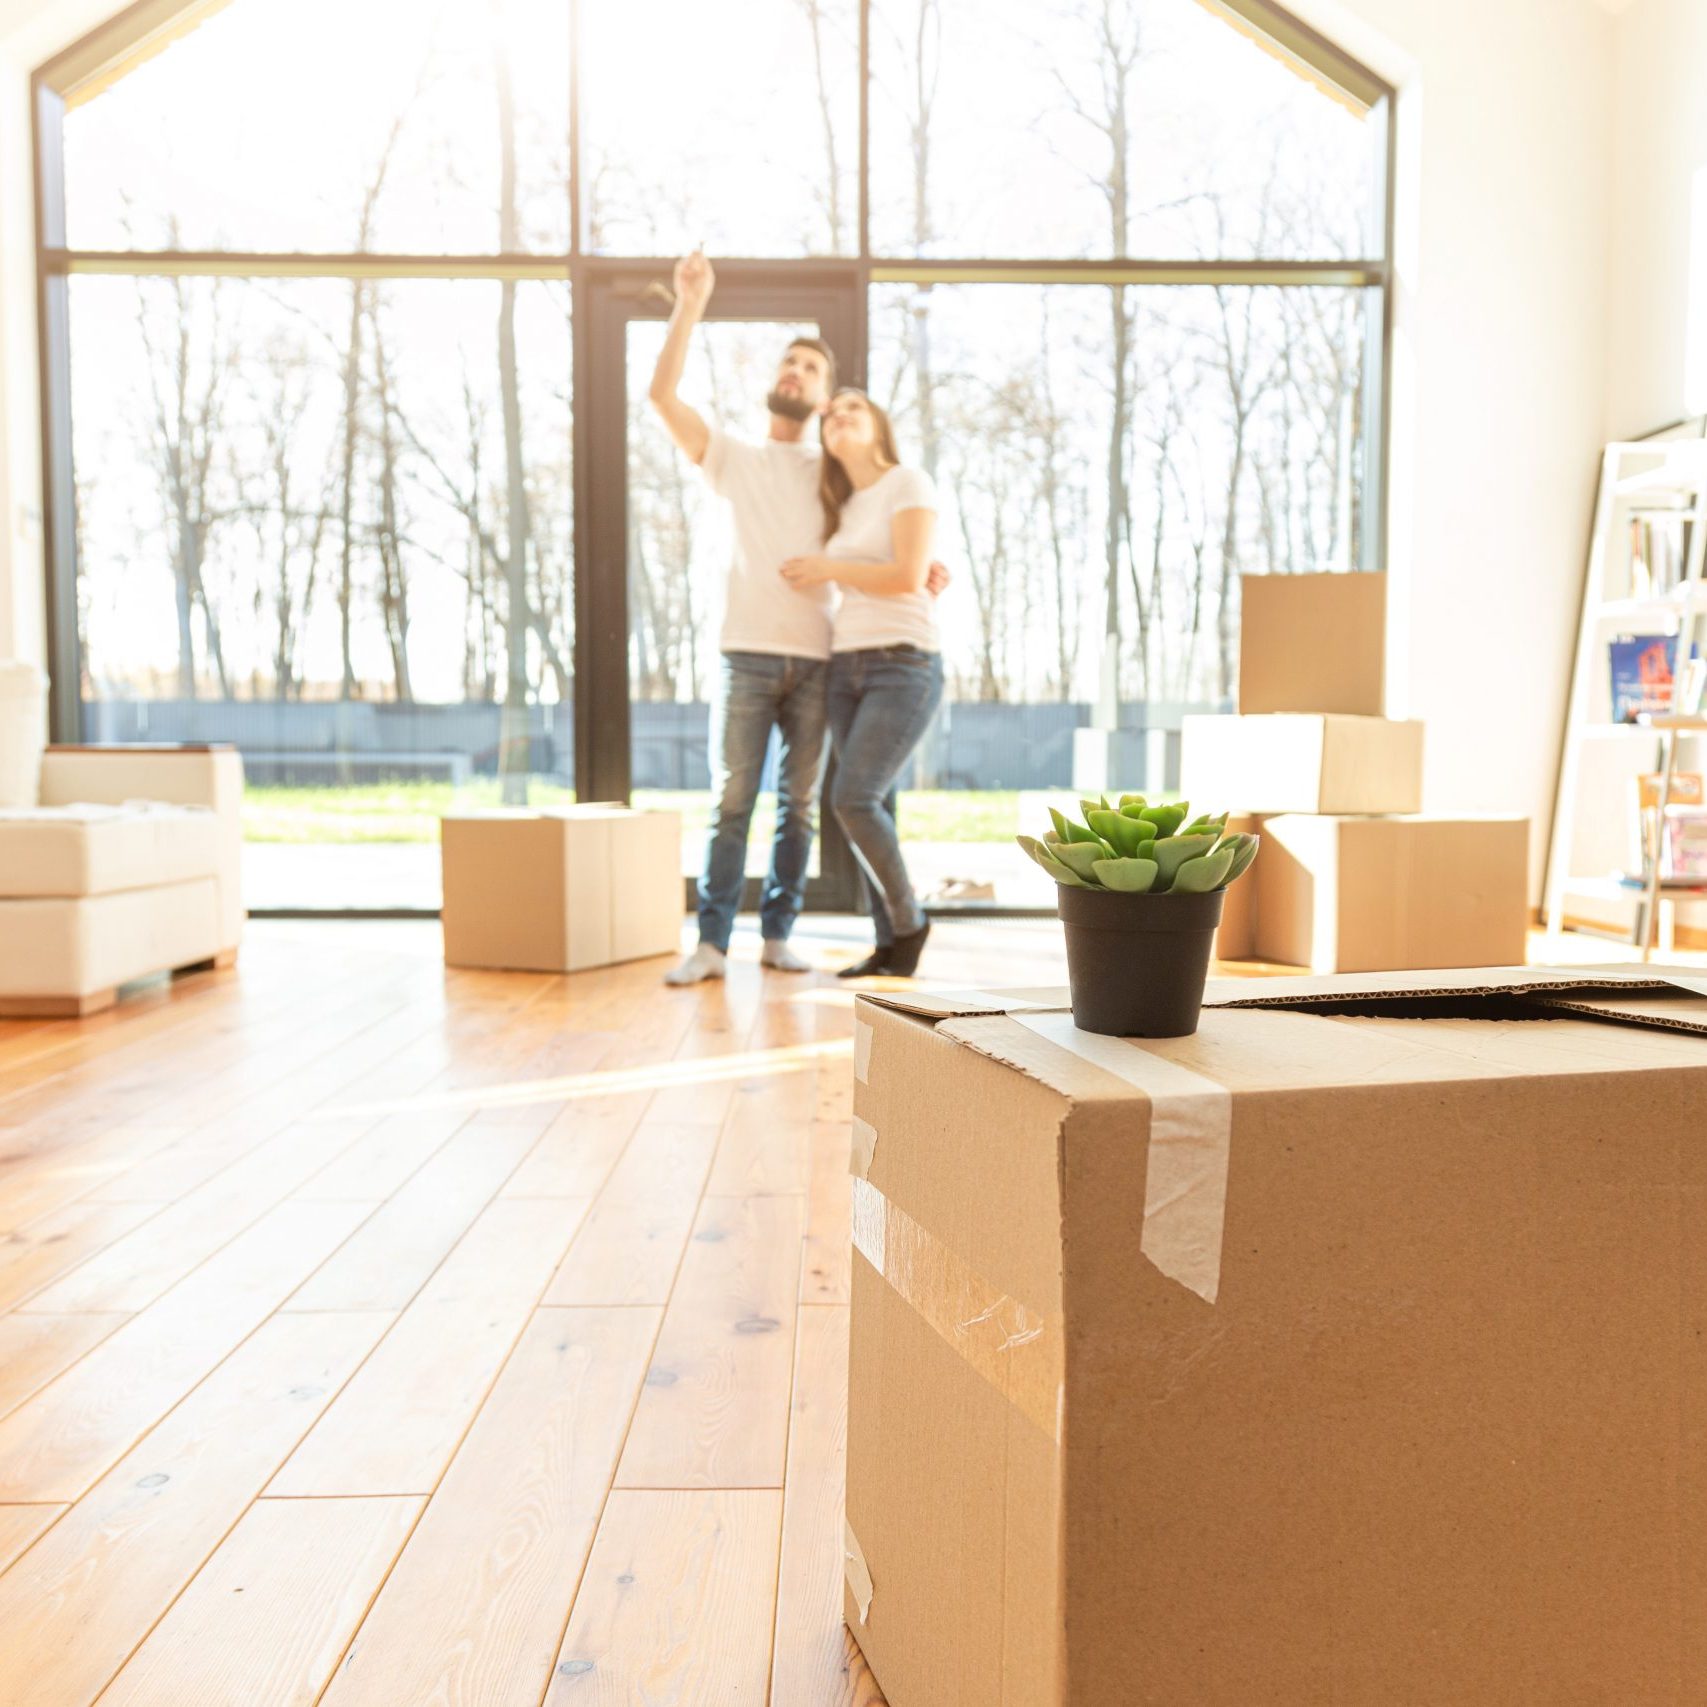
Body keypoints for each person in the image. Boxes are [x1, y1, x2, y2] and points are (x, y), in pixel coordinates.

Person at [781, 389, 942, 978]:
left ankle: (910, 921)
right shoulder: (844, 506)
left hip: (903, 662)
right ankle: (889, 944)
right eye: (831, 416)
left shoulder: (908, 482)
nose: (839, 418)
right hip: (844, 665)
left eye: (854, 409)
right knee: (873, 804)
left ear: (878, 426)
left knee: (852, 798)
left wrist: (828, 568)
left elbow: (905, 576)